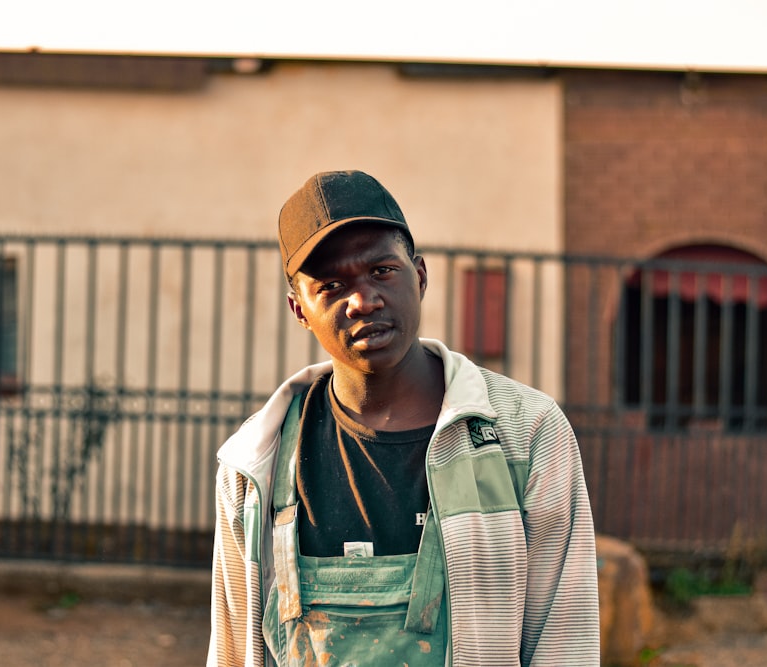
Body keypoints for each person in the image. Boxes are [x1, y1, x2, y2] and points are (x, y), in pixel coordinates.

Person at [208, 170, 600, 666]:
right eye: (331, 285)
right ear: (299, 310)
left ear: (419, 275)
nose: (363, 300)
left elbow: (565, 640)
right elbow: (233, 649)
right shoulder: (254, 465)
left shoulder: (524, 434)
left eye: (381, 271)